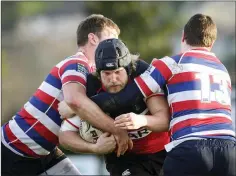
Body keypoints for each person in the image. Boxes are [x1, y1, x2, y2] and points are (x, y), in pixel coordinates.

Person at [94, 14, 236, 176]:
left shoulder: (171, 63)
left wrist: (78, 105)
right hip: (229, 150)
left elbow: (127, 96)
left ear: (183, 36)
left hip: (191, 147)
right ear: (212, 42)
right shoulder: (222, 70)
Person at [1, 14, 123, 175]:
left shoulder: (96, 75)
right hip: (13, 150)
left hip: (46, 154)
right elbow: (74, 100)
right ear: (93, 38)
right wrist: (117, 130)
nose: (115, 45)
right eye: (111, 38)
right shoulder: (77, 63)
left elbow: (78, 106)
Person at [58, 38, 170, 176]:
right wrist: (94, 148)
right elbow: (64, 136)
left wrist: (141, 120)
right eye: (107, 73)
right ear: (98, 74)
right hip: (123, 159)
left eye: (118, 72)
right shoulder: (92, 89)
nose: (113, 79)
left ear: (128, 70)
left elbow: (165, 120)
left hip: (162, 153)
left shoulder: (142, 75)